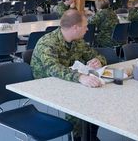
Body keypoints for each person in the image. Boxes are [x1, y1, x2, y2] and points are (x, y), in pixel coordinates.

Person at [31, 9, 106, 141]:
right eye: (85, 26)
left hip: (68, 80)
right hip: (47, 84)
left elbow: (95, 55)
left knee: (97, 98)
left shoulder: (78, 41)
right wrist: (80, 77)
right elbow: (53, 69)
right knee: (79, 102)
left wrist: (98, 61)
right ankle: (77, 137)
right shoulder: (47, 43)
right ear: (75, 28)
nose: (87, 29)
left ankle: (90, 136)